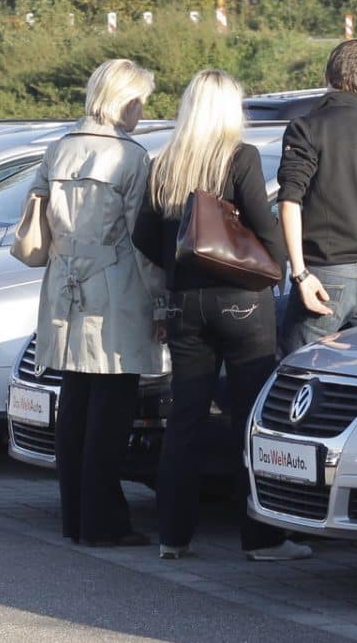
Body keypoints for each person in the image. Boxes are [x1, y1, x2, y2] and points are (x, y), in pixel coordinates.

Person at [133, 69, 311, 562]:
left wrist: (177, 265)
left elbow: (142, 235)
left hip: (183, 302)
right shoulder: (239, 157)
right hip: (240, 300)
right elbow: (263, 221)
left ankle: (173, 535)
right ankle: (260, 539)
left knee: (185, 416)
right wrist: (279, 268)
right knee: (247, 416)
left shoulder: (164, 162)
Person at [30, 58, 165, 547]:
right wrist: (161, 304)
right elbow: (141, 241)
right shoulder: (131, 157)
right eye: (139, 101)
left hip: (62, 282)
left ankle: (75, 517)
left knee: (74, 402)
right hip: (115, 284)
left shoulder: (58, 148)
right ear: (123, 100)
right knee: (112, 406)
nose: (142, 111)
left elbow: (38, 221)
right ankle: (104, 521)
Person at [278, 39, 357, 354]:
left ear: (327, 76)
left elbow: (289, 200)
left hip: (327, 273)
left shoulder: (306, 129)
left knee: (299, 374)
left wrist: (300, 272)